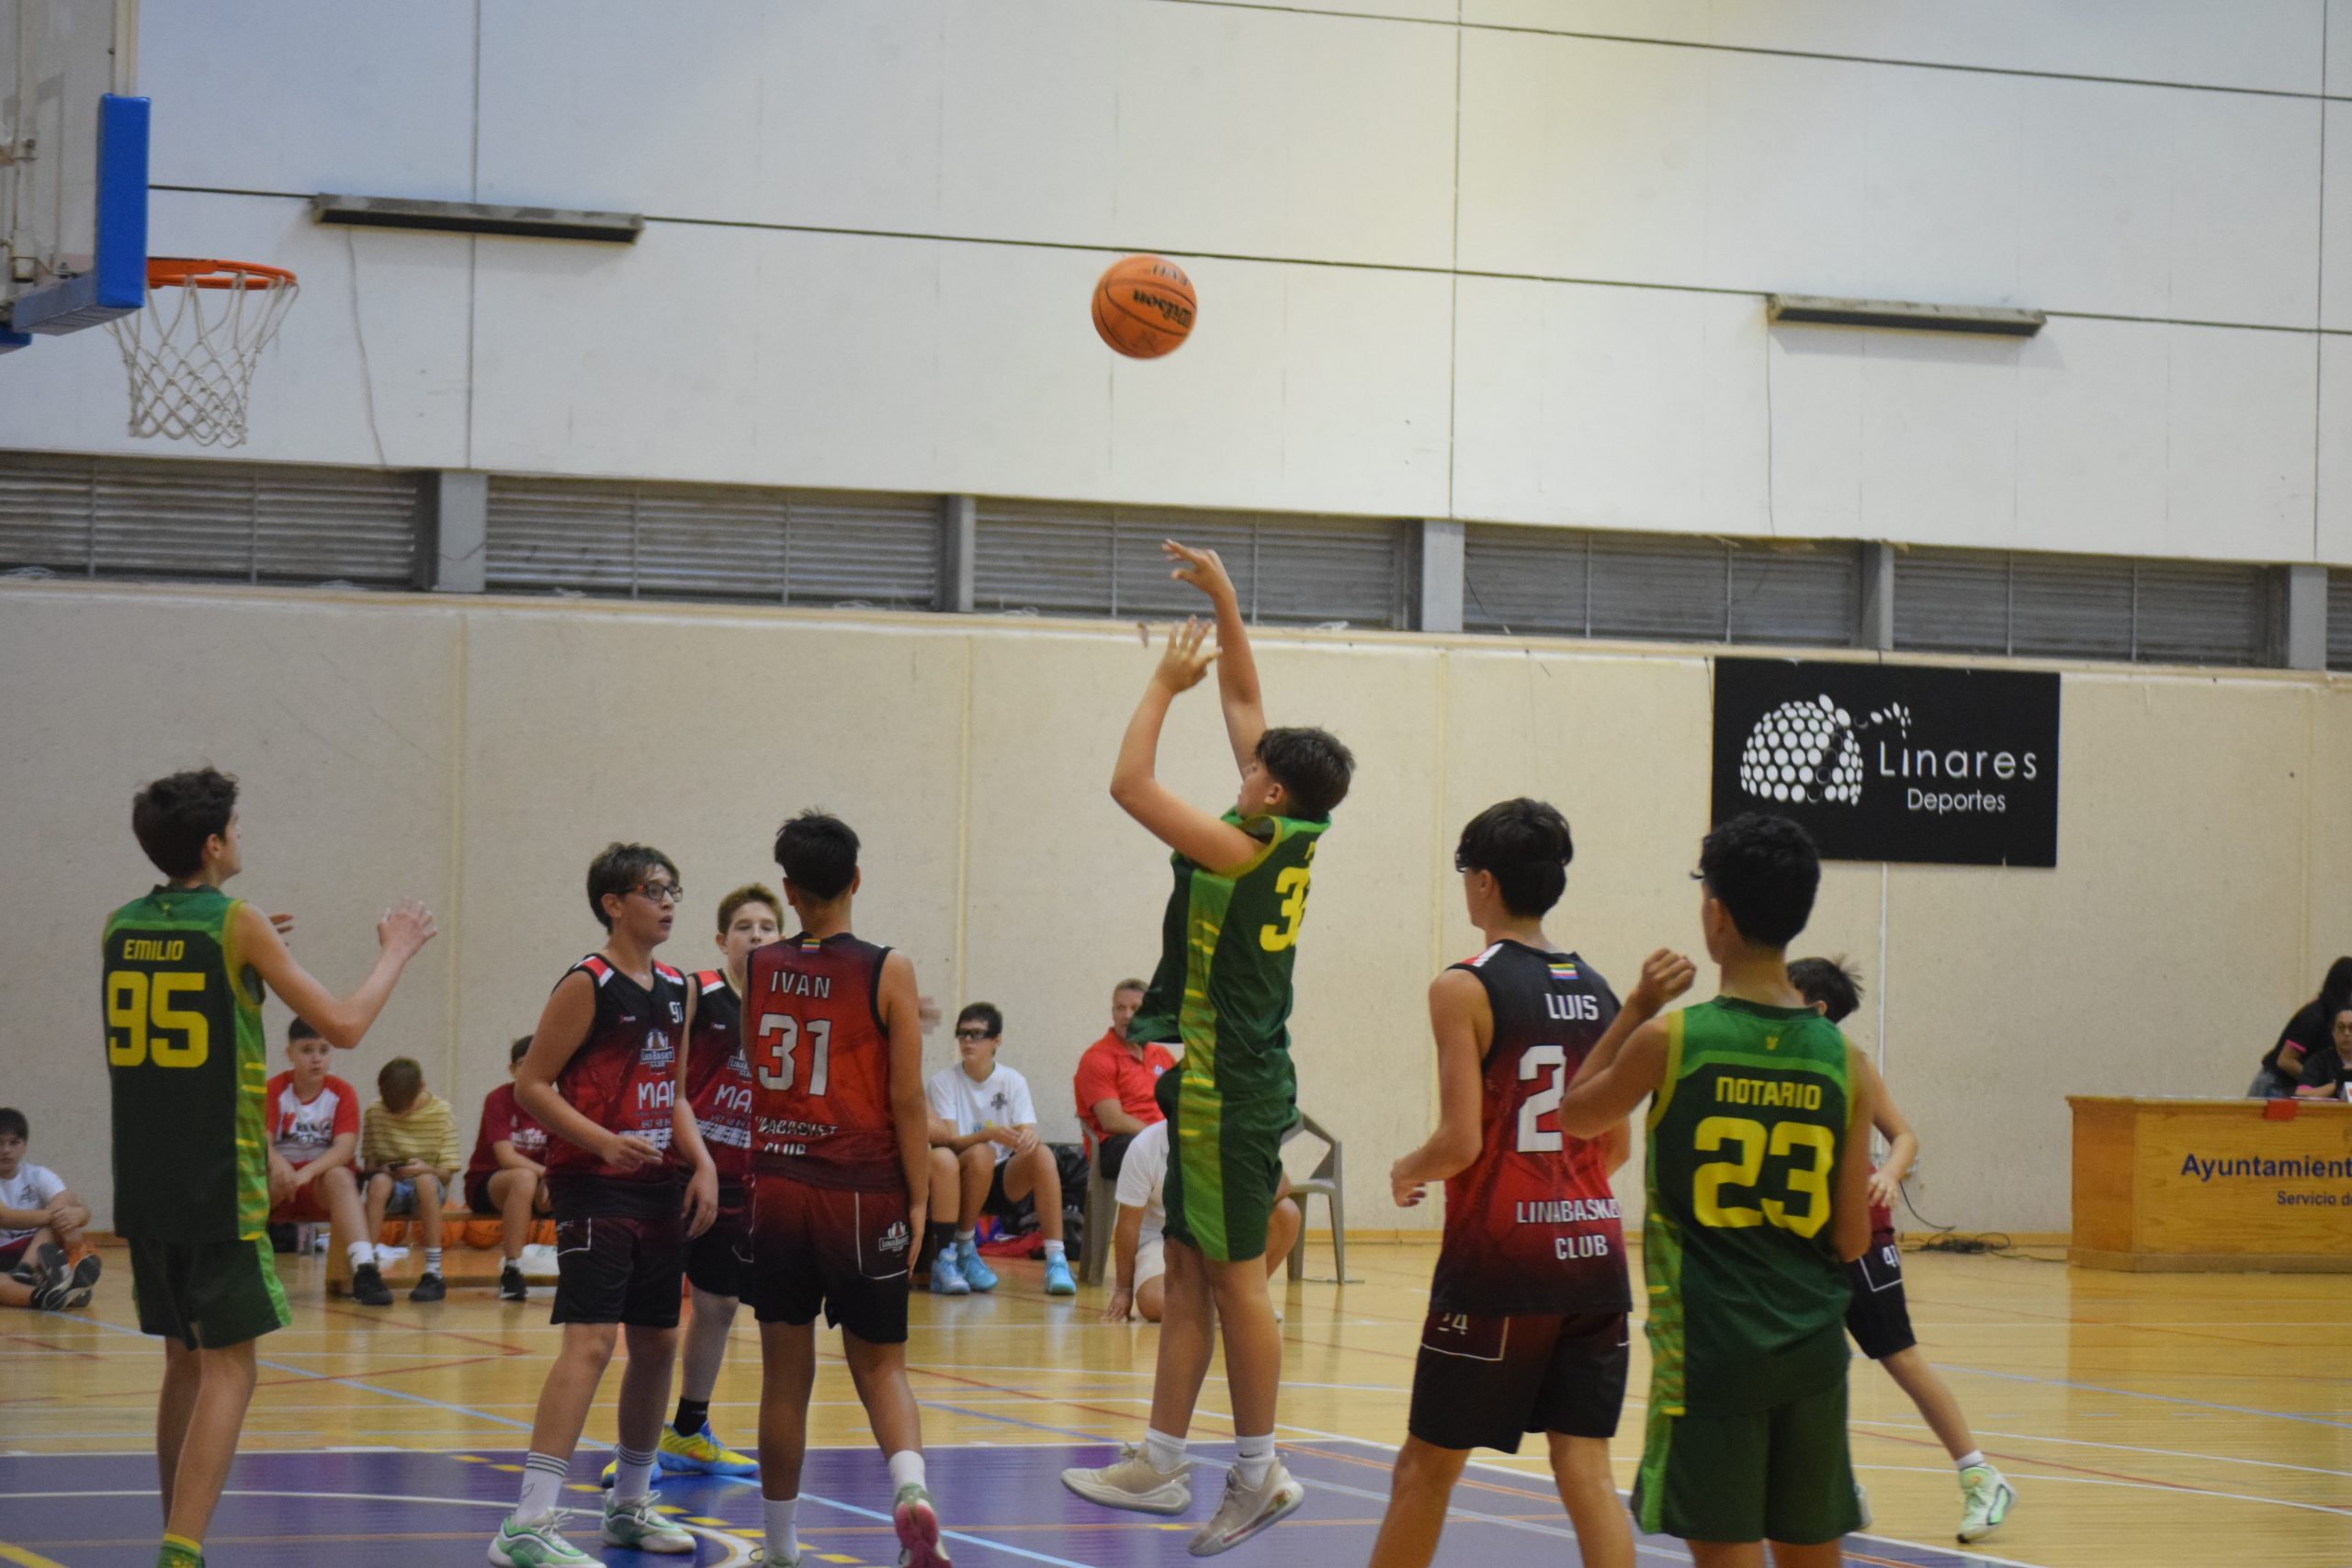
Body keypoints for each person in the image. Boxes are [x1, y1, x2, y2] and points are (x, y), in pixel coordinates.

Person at [1062, 540, 1354, 1556]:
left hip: (1234, 1085)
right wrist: (1227, 596)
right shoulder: (1283, 822)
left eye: (1257, 768)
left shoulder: (1238, 843)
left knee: (1234, 1279)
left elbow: (1129, 784)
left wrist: (1159, 682)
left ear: (1274, 794)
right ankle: (1160, 1457)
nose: (1245, 764)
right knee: (1186, 1270)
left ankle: (1260, 1469)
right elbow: (1246, 692)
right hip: (1209, 1076)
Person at [107, 766, 435, 1568]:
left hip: (144, 1182)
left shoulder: (120, 925)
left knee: (182, 1357)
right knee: (232, 1368)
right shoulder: (236, 921)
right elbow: (348, 1025)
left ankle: (172, 1529)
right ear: (214, 844)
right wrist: (395, 949)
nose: (243, 838)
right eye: (238, 828)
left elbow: (190, 1000)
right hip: (219, 1183)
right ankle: (182, 1551)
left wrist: (251, 954)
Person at [1368, 798, 1682, 1568]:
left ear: (1481, 882)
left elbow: (1459, 1141)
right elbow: (1613, 1150)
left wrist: (1409, 1169)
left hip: (1499, 1268)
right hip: (1596, 1263)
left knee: (1424, 1469)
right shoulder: (1604, 990)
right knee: (1585, 1470)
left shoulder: (1463, 986)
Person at [1555, 813, 1873, 1568]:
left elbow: (1575, 1114)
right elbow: (1853, 1238)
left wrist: (1635, 1004)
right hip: (1814, 1354)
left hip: (1712, 1352)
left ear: (1716, 914)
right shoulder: (1845, 1061)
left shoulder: (1673, 1041)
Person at [489, 843, 719, 1568]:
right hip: (594, 1183)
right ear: (614, 903)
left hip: (657, 1184)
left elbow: (675, 1091)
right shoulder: (587, 983)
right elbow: (533, 1084)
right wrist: (602, 1141)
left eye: (673, 887)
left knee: (657, 1343)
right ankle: (526, 1523)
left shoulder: (680, 986)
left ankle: (628, 1505)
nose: (669, 900)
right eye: (654, 888)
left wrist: (703, 1161)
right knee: (590, 1343)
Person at [743, 811, 949, 1568]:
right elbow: (906, 1102)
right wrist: (921, 1197)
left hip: (778, 1188)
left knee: (783, 1381)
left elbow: (757, 1069)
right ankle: (910, 1493)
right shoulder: (887, 968)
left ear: (790, 891)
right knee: (882, 1366)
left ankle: (781, 1547)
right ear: (856, 879)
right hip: (862, 1190)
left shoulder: (758, 967)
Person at [1788, 956, 2017, 1545]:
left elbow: (1904, 1133)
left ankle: (1981, 1476)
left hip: (1860, 1231)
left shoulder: (1849, 1063)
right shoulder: (1771, 1057)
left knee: (1898, 1355)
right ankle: (1839, 1488)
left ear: (1816, 1009)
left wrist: (1890, 1171)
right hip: (1801, 1234)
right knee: (1811, 1366)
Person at [662, 881, 780, 1475]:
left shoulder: (788, 1010)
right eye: (743, 926)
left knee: (719, 1305)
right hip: (678, 1171)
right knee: (653, 1317)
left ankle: (688, 1428)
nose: (756, 935)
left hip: (741, 1181)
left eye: (767, 926)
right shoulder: (696, 993)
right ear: (720, 939)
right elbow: (672, 1088)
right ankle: (635, 1448)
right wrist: (699, 1161)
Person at [925, 1002, 1076, 1297]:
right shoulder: (943, 1082)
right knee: (983, 1152)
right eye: (962, 1034)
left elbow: (1026, 1129)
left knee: (1042, 1153)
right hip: (959, 1177)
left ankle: (1056, 1258)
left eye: (977, 1034)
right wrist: (990, 1134)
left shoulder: (1013, 1081)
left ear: (996, 1040)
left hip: (1002, 1180)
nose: (968, 1041)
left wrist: (1028, 1139)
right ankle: (965, 1250)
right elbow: (949, 1141)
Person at [1099, 1115, 1298, 1325]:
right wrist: (1123, 1290)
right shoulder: (1144, 1147)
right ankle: (1232, 1306)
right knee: (1153, 1302)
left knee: (1287, 1213)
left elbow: (1282, 1183)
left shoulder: (1234, 1136)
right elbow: (1128, 1224)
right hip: (1162, 1238)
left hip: (1219, 1232)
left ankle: (1239, 1298)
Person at [263, 1019, 380, 1303]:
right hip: (279, 1183)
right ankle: (237, 1269)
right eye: (307, 1050)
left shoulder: (341, 1092)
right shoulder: (274, 1089)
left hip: (318, 1184)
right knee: (252, 1179)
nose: (317, 1059)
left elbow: (344, 1147)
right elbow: (261, 1139)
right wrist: (279, 1164)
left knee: (341, 1176)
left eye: (324, 1050)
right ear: (290, 1054)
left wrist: (307, 1174)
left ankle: (365, 1269)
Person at [360, 1055, 461, 1303]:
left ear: (422, 1088)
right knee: (379, 1183)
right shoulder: (375, 1111)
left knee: (426, 1181)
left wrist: (426, 1168)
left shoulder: (442, 1112)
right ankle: (368, 1270)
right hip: (391, 1187)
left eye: (408, 1109)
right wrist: (383, 1169)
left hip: (426, 1189)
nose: (402, 1115)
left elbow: (447, 1173)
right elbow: (368, 1170)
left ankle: (433, 1272)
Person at [465, 1037, 555, 1302]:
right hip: (489, 1183)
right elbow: (506, 1157)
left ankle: (583, 1270)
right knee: (523, 1178)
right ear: (513, 1069)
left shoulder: (556, 1102)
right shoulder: (499, 1099)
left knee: (577, 1186)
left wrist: (554, 1177)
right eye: (522, 1064)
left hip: (539, 1179)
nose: (528, 1070)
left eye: (536, 1064)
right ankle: (513, 1270)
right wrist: (547, 1174)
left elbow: (561, 1155)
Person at [1071, 977, 1173, 1180]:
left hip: (1160, 1140)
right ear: (1113, 1013)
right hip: (1116, 1146)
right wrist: (1161, 1136)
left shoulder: (1161, 1055)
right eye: (1120, 1008)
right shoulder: (1097, 1058)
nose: (1127, 1016)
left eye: (1135, 1008)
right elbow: (1112, 1121)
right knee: (1156, 1152)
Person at [0, 1107, 100, 1312]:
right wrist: (58, 1215)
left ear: (24, 1145)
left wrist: (80, 1213)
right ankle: (47, 1294)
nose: (6, 1150)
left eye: (13, 1143)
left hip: (34, 1250)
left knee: (65, 1222)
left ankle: (32, 1270)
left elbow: (68, 1203)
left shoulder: (37, 1175)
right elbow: (4, 1217)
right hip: (3, 1252)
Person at [2251, 958, 2352, 1097]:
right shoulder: (2314, 1017)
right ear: (2345, 988)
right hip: (2275, 1085)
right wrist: (2316, 1081)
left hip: (2290, 1085)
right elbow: (2285, 1060)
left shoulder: (2332, 1015)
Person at [2289, 1005, 2352, 1100]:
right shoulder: (2319, 1061)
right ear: (2333, 1033)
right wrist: (2338, 1084)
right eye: (2341, 1027)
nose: (2346, 1033)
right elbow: (2301, 1095)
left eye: (2351, 1027)